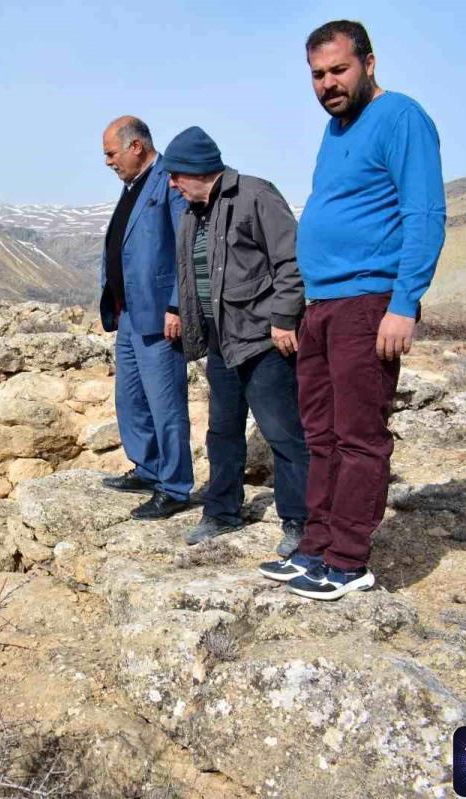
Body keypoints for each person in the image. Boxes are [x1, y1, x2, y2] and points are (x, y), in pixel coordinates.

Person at [259, 20, 446, 600]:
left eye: (339, 69)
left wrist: (404, 303)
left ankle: (348, 561)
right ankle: (315, 546)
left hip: (368, 303)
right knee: (321, 433)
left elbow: (424, 213)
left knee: (360, 435)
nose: (328, 84)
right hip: (322, 306)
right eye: (317, 75)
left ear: (369, 62)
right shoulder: (336, 130)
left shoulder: (401, 118)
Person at [163, 127, 309, 556]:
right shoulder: (192, 214)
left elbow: (292, 260)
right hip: (221, 342)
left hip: (263, 341)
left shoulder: (256, 195)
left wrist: (284, 318)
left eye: (176, 175)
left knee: (283, 433)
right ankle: (221, 512)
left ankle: (299, 520)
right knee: (222, 432)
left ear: (196, 169)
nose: (172, 184)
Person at [98, 116, 193, 519]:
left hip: (159, 314)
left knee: (165, 404)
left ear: (136, 146)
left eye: (111, 153)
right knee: (131, 399)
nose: (108, 162)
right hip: (129, 315)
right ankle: (148, 467)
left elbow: (185, 248)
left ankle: (174, 487)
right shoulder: (133, 186)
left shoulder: (169, 181)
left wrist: (177, 305)